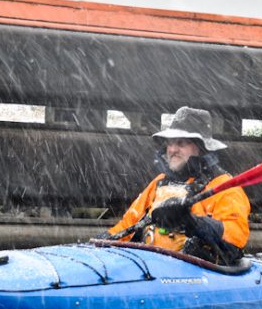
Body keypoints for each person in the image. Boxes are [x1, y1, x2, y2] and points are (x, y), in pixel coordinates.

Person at [101, 107, 250, 264]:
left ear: (201, 147)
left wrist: (192, 222)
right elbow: (128, 225)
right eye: (170, 143)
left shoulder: (224, 186)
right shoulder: (159, 182)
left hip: (195, 275)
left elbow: (236, 236)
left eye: (181, 143)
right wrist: (105, 239)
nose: (172, 149)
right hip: (153, 269)